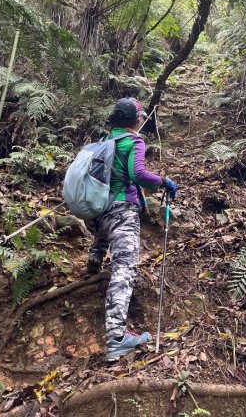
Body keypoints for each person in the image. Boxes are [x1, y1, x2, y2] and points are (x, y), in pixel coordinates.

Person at [86, 97, 177, 361]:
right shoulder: (133, 141)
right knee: (124, 268)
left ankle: (95, 254)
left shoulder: (104, 142)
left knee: (106, 233)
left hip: (95, 214)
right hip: (120, 211)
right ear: (137, 120)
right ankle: (116, 339)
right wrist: (164, 182)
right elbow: (137, 174)